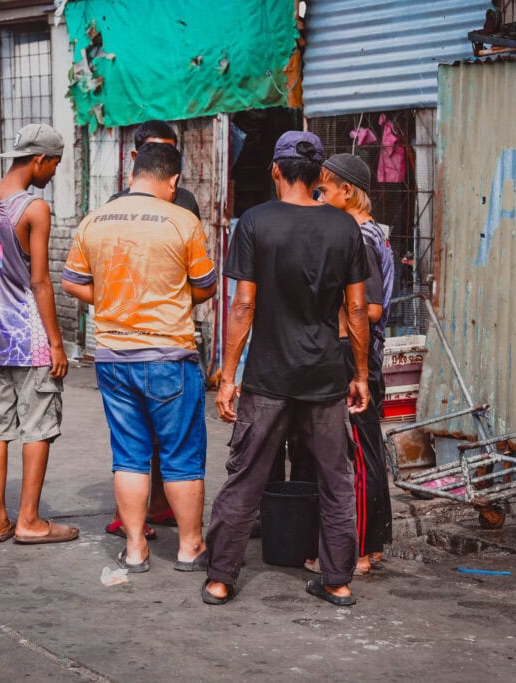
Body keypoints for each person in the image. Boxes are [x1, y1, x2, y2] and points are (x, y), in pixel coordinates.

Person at [203, 131, 370, 607]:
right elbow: (356, 310)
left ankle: (220, 579)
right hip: (324, 376)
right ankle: (337, 580)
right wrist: (359, 374)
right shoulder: (345, 228)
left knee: (245, 476)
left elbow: (243, 306)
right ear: (320, 175)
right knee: (335, 480)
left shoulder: (255, 223)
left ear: (275, 169)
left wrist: (227, 376)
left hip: (269, 375)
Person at [62, 142, 216, 573]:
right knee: (181, 455)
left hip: (114, 357)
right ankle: (189, 547)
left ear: (133, 175)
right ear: (173, 180)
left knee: (128, 454)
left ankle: (134, 549)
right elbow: (205, 287)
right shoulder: (182, 220)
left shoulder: (94, 220)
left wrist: (113, 301)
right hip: (170, 356)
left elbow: (72, 282)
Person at [0, 123, 78, 545]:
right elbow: (40, 282)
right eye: (54, 165)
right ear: (39, 160)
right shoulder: (34, 208)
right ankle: (30, 521)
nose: (53, 174)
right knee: (38, 426)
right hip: (28, 339)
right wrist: (55, 341)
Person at [104, 119, 201, 540]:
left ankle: (154, 520)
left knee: (154, 444)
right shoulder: (113, 207)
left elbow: (192, 276)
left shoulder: (186, 204)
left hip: (155, 343)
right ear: (135, 157)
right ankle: (157, 529)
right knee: (139, 444)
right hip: (139, 344)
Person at [316, 153, 395, 575]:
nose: (319, 197)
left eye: (324, 190)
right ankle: (374, 543)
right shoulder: (371, 234)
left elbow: (373, 308)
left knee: (357, 457)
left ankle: (359, 552)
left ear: (347, 192)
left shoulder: (360, 237)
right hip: (363, 351)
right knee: (367, 450)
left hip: (357, 353)